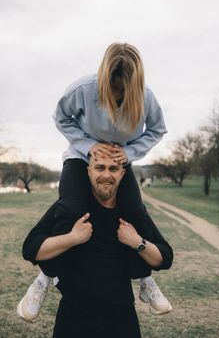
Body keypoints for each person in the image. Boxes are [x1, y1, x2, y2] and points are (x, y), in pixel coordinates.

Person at [17, 42, 172, 322]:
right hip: (80, 157)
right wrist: (89, 145)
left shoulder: (147, 98)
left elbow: (158, 130)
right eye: (113, 89)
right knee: (71, 208)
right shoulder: (83, 89)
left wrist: (129, 152)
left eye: (123, 91)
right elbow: (61, 118)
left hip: (119, 162)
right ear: (103, 79)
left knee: (135, 213)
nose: (117, 96)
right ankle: (45, 276)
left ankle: (145, 280)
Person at [21, 155, 173, 338]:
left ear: (123, 173)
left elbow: (164, 258)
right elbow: (30, 248)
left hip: (121, 317)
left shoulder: (131, 211)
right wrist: (71, 238)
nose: (106, 175)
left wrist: (137, 242)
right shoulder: (71, 208)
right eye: (100, 168)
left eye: (113, 169)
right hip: (73, 317)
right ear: (88, 171)